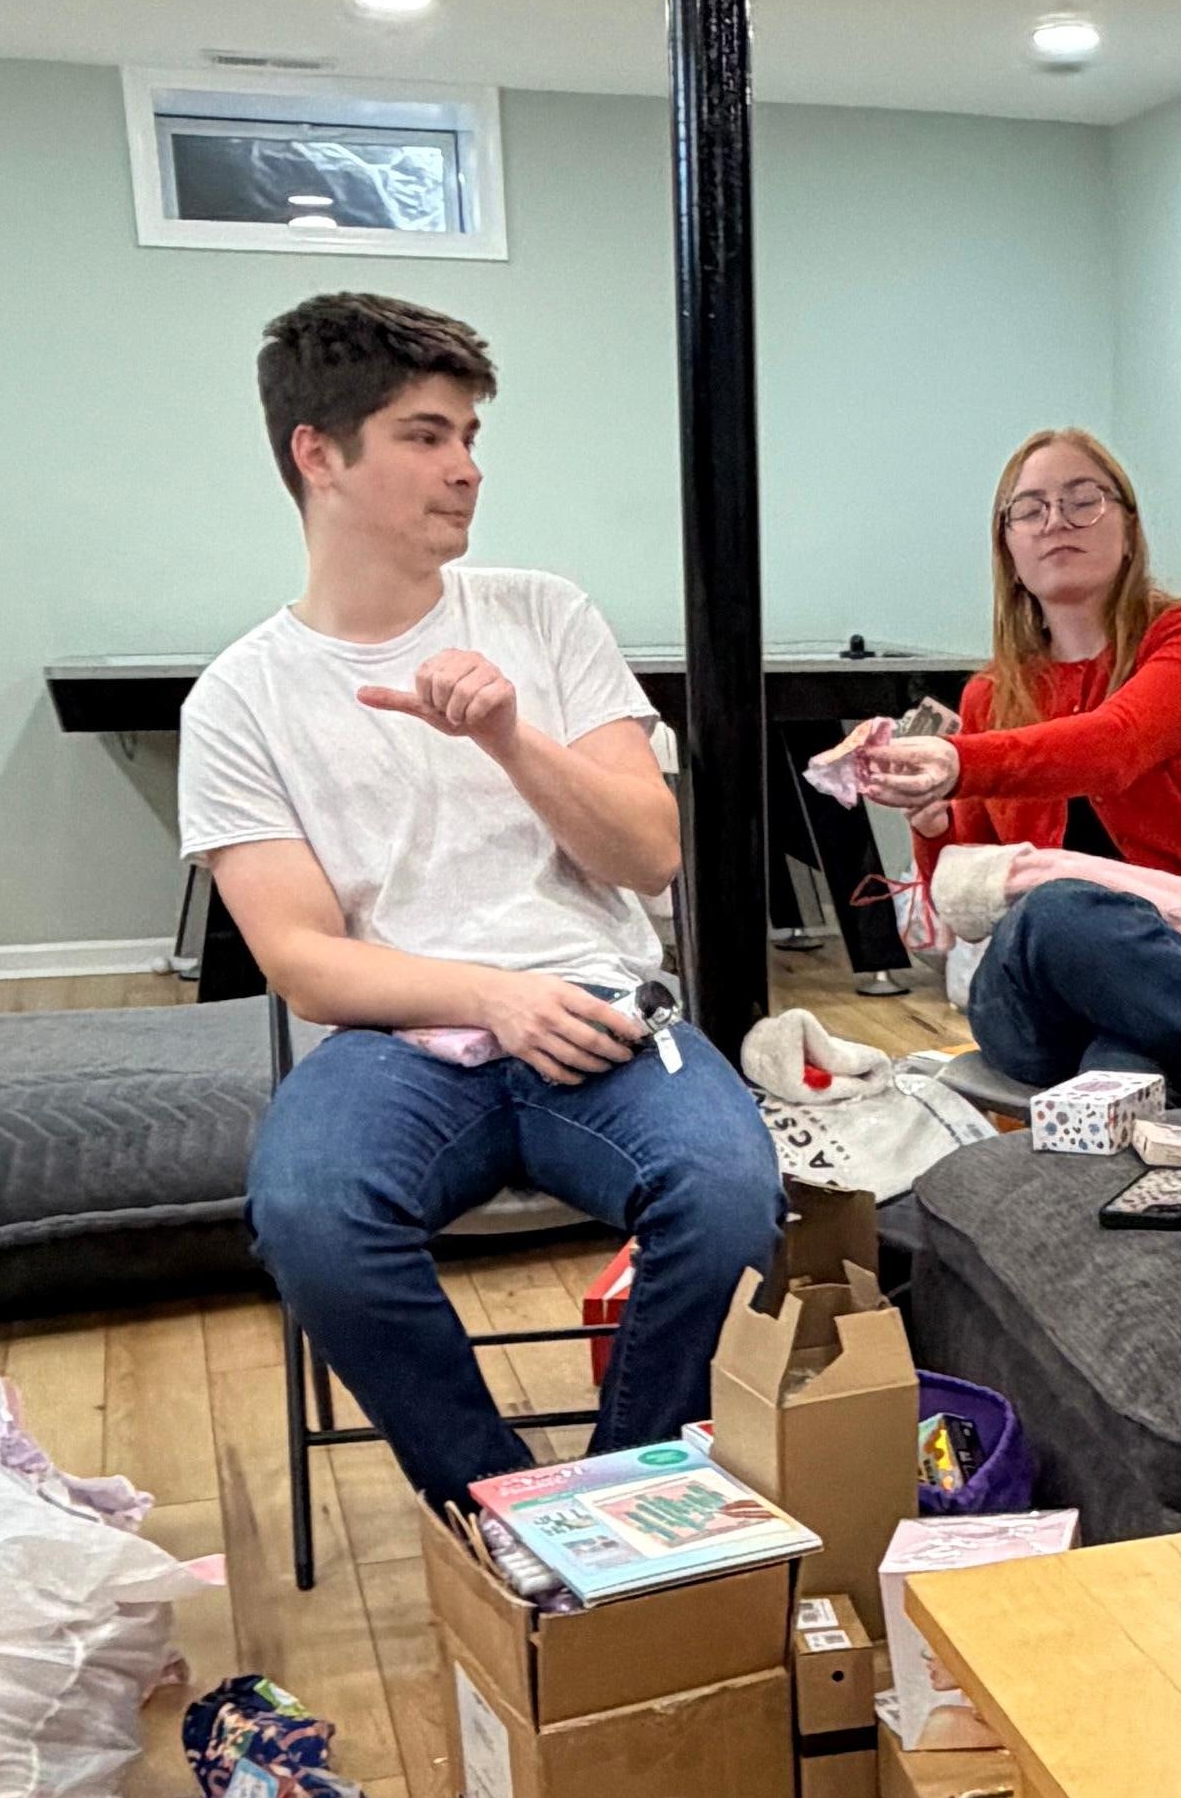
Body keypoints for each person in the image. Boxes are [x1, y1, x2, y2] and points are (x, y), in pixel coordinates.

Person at [187, 292, 780, 1506]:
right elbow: (302, 961)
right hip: (398, 1038)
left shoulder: (545, 615)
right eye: (425, 435)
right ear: (318, 454)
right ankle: (500, 1512)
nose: (465, 468)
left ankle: (622, 1506)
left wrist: (513, 738)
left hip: (603, 1009)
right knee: (309, 1214)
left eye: (469, 436)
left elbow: (649, 857)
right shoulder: (240, 699)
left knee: (730, 1198)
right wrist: (493, 998)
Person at [841, 431, 1181, 1105]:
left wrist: (959, 762)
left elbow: (1114, 746)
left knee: (1124, 1072)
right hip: (1035, 991)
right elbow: (966, 903)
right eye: (1030, 509)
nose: (1056, 521)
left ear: (1130, 530)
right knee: (1056, 907)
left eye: (1084, 501)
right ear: (1009, 550)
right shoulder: (990, 696)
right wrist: (932, 827)